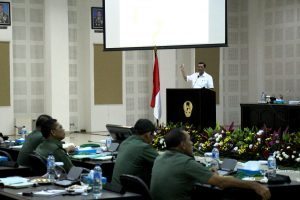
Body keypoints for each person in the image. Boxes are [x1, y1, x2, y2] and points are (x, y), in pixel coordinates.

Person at [150, 128, 271, 200]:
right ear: (182, 145)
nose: (192, 143)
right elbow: (221, 182)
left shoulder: (159, 159)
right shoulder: (185, 163)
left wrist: (206, 173)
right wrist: (255, 185)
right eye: (189, 140)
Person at [111, 119, 158, 187]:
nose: (153, 138)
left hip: (115, 189)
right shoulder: (143, 147)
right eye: (153, 134)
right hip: (128, 192)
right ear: (148, 134)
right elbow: (162, 162)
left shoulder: (125, 142)